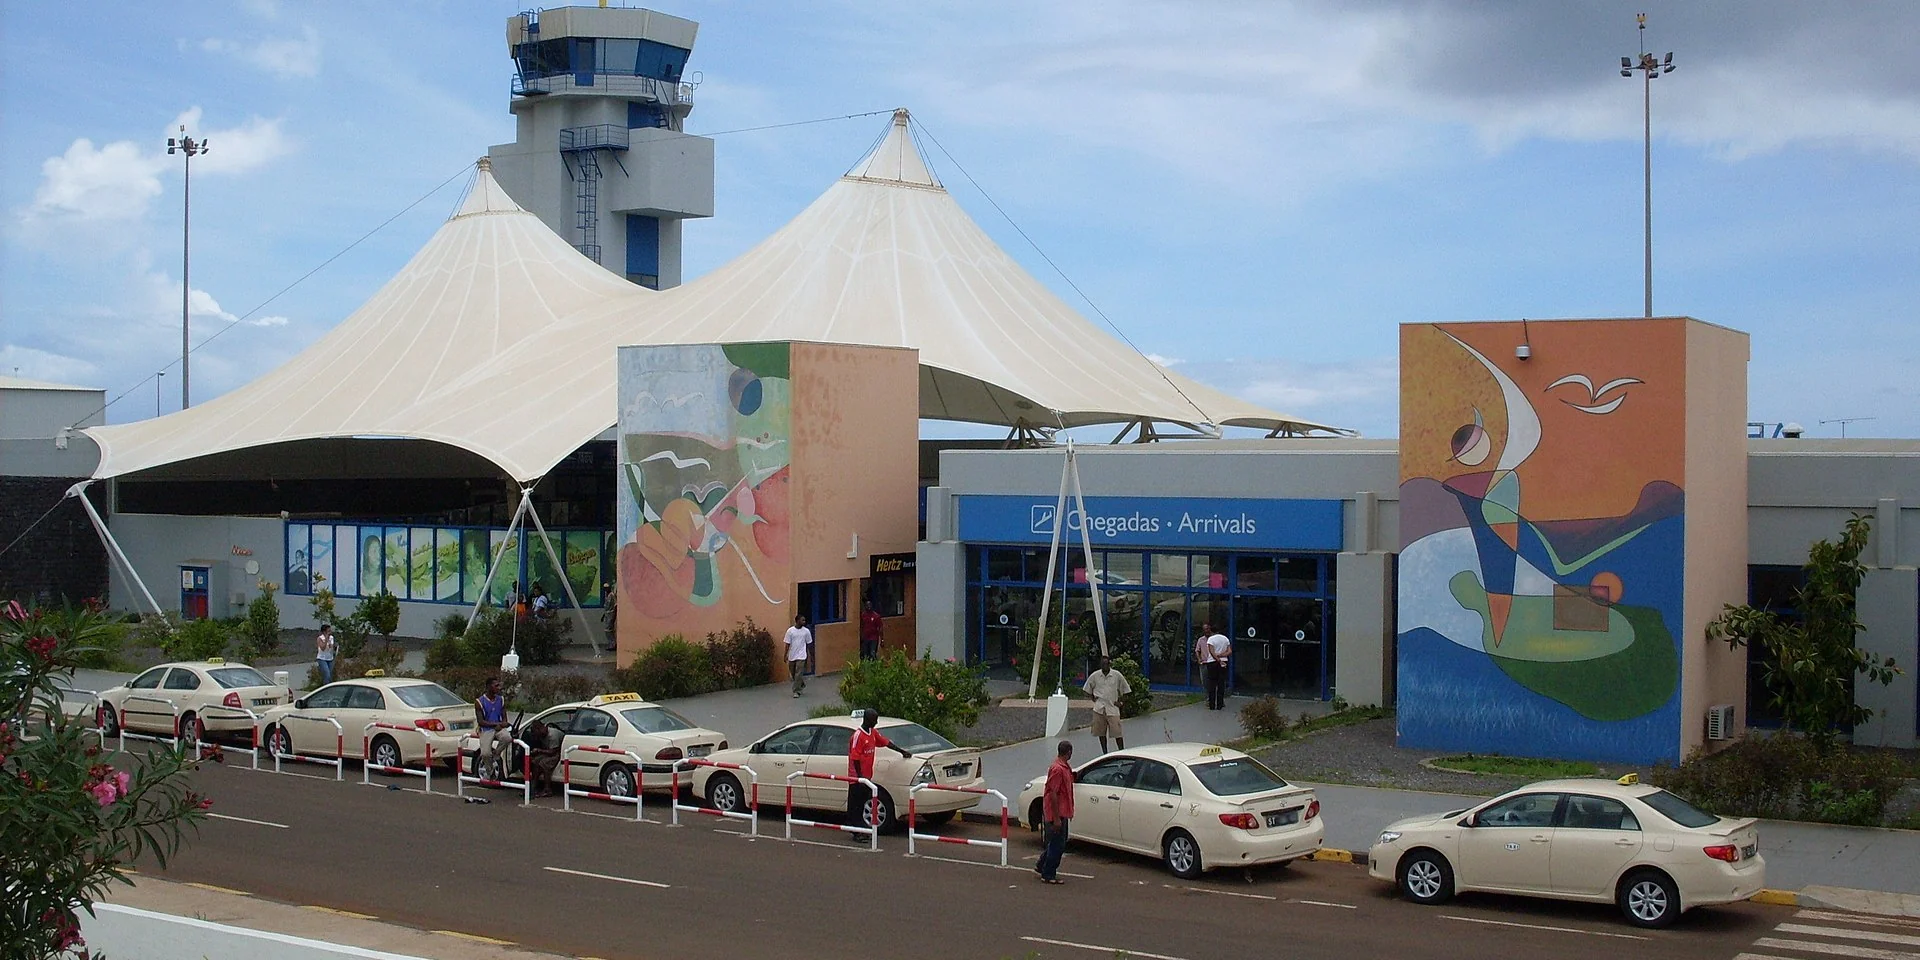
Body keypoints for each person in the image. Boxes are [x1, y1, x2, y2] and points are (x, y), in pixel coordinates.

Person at [846, 708, 910, 840]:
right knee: (855, 806)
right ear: (867, 719)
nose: (876, 722)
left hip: (867, 776)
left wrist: (901, 751)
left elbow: (885, 742)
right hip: (857, 778)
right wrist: (859, 777)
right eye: (874, 720)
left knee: (863, 804)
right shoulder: (858, 735)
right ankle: (856, 832)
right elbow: (855, 757)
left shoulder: (873, 733)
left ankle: (861, 829)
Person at [1035, 740, 1074, 884]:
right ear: (1069, 752)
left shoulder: (1064, 767)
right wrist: (1056, 818)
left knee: (1056, 842)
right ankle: (1048, 873)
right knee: (1058, 845)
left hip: (1062, 811)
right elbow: (1053, 793)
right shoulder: (1058, 769)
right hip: (1057, 813)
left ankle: (1042, 865)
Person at [1082, 656, 1132, 754]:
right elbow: (1086, 689)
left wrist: (1121, 702)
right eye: (1103, 664)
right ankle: (1105, 753)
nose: (1105, 666)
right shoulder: (1095, 676)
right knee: (1101, 733)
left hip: (1112, 708)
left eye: (1106, 664)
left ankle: (1122, 752)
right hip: (1099, 708)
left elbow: (1126, 689)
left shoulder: (1117, 675)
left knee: (1117, 732)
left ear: (1110, 664)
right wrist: (1093, 698)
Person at [475, 677, 513, 777]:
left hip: (499, 728)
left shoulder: (501, 699)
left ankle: (496, 753)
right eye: (496, 686)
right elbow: (481, 722)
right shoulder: (479, 702)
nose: (498, 688)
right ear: (488, 687)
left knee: (507, 738)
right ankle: (490, 771)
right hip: (486, 729)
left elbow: (504, 716)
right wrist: (496, 724)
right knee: (485, 753)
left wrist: (503, 723)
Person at [1196, 623, 1232, 710]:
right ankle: (1220, 704)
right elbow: (1229, 651)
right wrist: (1222, 656)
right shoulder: (1225, 639)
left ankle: (1212, 704)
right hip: (1224, 661)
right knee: (1221, 683)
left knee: (1212, 683)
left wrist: (1217, 659)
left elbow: (1211, 652)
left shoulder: (1211, 639)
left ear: (1212, 630)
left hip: (1212, 662)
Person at [525, 718, 562, 796]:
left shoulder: (552, 735)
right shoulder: (541, 735)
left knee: (544, 763)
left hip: (558, 753)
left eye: (535, 732)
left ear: (539, 729)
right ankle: (533, 787)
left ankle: (547, 789)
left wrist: (539, 750)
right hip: (547, 751)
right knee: (535, 761)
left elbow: (553, 752)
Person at [785, 615, 813, 697]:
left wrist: (810, 656)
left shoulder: (806, 631)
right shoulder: (790, 631)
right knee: (793, 672)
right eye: (802, 620)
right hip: (792, 655)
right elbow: (787, 644)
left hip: (802, 655)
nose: (804, 622)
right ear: (797, 621)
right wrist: (785, 654)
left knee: (799, 673)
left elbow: (809, 644)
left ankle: (796, 691)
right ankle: (801, 683)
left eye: (804, 620)